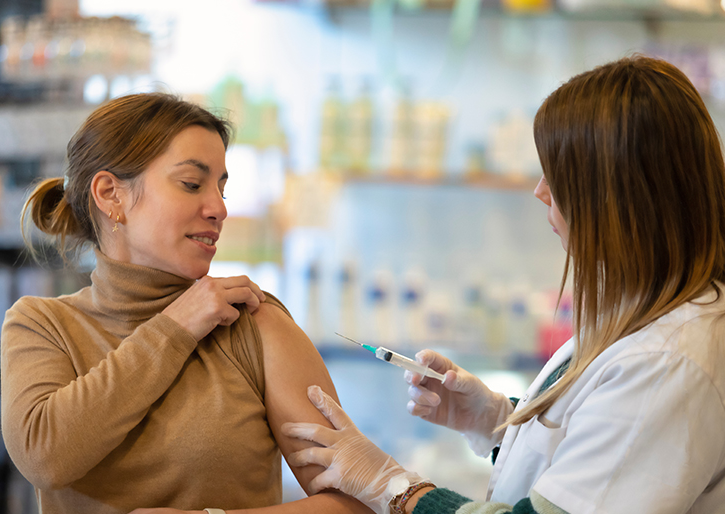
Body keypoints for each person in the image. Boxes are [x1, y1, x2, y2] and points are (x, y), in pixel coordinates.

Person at [281, 56, 725, 514]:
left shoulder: (666, 360)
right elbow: (594, 456)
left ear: (620, 194)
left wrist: (395, 486)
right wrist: (496, 420)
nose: (541, 192)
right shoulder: (654, 317)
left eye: (560, 175)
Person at [1, 93, 370, 514]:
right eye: (192, 184)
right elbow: (45, 457)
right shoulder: (43, 324)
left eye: (222, 188)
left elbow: (355, 501)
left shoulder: (252, 321)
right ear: (110, 195)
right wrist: (173, 329)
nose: (218, 209)